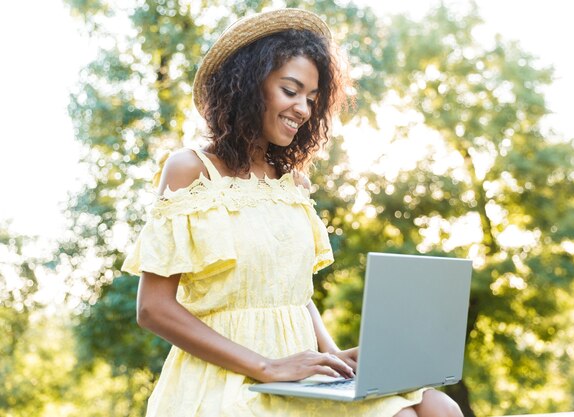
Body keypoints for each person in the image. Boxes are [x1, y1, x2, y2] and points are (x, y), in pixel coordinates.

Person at [122, 8, 464, 417]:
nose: (302, 108)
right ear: (249, 86)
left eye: (311, 99)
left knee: (439, 407)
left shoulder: (292, 182)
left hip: (302, 370)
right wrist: (267, 366)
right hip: (231, 375)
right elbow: (153, 308)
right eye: (290, 90)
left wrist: (335, 356)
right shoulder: (190, 169)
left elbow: (293, 294)